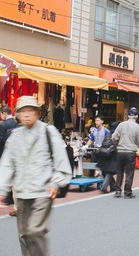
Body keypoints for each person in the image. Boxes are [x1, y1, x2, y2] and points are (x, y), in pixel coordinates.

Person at [0, 96, 72, 256]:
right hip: (22, 192)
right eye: (22, 111)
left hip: (43, 192)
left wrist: (56, 182)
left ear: (38, 113)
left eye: (30, 110)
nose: (26, 114)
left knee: (34, 231)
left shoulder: (48, 131)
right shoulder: (15, 136)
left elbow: (61, 160)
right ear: (17, 115)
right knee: (24, 234)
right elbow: (6, 164)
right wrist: (2, 188)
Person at [112, 107, 139, 199]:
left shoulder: (121, 125)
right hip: (131, 152)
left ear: (128, 115)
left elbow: (114, 138)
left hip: (120, 151)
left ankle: (118, 191)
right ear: (136, 116)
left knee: (119, 172)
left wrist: (117, 147)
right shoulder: (138, 127)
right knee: (129, 173)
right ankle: (127, 192)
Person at [96, 122, 119, 193]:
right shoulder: (116, 135)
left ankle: (113, 187)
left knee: (107, 171)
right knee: (110, 172)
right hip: (111, 155)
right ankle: (104, 187)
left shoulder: (108, 134)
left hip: (103, 154)